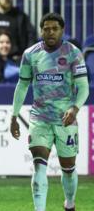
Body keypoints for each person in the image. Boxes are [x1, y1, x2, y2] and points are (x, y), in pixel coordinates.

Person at [10, 13, 89, 211]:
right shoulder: (31, 54)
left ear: (62, 30)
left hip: (66, 119)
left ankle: (69, 203)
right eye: (46, 28)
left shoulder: (73, 53)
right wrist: (14, 115)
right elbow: (22, 86)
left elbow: (84, 87)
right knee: (39, 165)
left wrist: (75, 107)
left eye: (55, 28)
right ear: (41, 30)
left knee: (68, 168)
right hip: (40, 118)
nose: (50, 32)